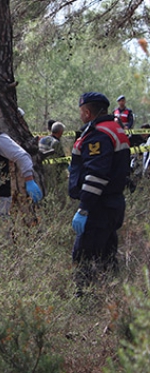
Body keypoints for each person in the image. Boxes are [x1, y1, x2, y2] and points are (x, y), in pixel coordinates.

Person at [69, 92, 130, 295]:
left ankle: (84, 300)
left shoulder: (98, 134)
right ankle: (113, 298)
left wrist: (84, 208)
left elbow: (96, 174)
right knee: (106, 253)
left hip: (99, 205)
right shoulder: (116, 129)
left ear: (87, 112)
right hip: (112, 203)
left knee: (84, 255)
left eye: (81, 112)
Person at [39, 121, 68, 192]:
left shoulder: (42, 139)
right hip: (52, 172)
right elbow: (62, 159)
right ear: (60, 132)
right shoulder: (56, 143)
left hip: (41, 169)